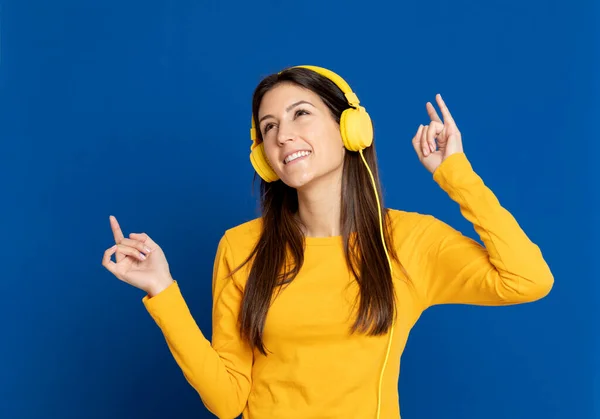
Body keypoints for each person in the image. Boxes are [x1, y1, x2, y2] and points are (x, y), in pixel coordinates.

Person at [102, 65, 554, 419]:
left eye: (301, 113)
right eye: (269, 126)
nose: (284, 135)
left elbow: (527, 280)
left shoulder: (409, 241)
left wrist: (456, 175)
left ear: (350, 128)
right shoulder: (240, 247)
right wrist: (162, 291)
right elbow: (227, 400)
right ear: (263, 155)